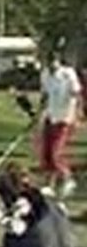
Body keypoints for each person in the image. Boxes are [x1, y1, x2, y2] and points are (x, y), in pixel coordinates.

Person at [38, 51, 82, 199]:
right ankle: (49, 185)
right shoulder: (45, 74)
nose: (51, 65)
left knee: (55, 153)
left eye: (53, 62)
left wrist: (77, 113)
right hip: (51, 116)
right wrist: (39, 111)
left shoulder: (68, 74)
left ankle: (68, 178)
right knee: (46, 154)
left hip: (65, 118)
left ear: (58, 62)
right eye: (49, 62)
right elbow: (45, 95)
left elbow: (76, 93)